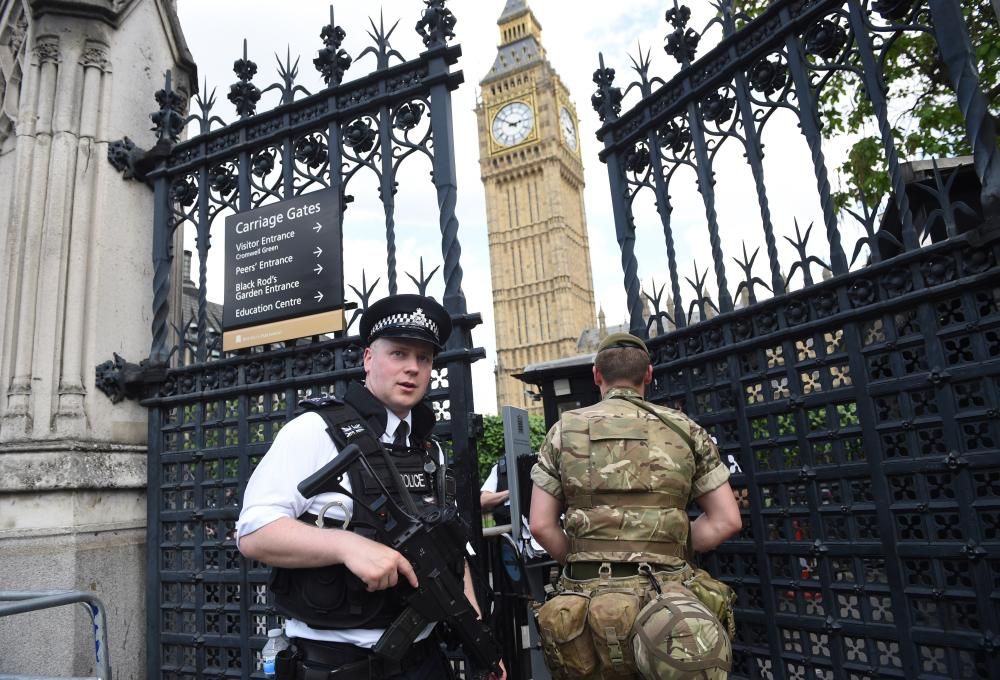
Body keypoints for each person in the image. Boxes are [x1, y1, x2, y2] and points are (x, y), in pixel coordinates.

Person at [237, 293, 505, 680]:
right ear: (368, 359)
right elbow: (253, 531)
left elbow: (451, 550)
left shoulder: (430, 450)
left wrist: (478, 636)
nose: (412, 368)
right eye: (398, 353)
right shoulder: (316, 431)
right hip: (339, 664)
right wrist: (347, 545)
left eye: (424, 358)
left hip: (426, 661)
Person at [529, 332, 742, 679]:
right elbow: (726, 520)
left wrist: (586, 554)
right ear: (648, 375)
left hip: (587, 610)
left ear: (597, 376)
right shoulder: (686, 429)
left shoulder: (564, 430)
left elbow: (540, 524)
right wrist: (670, 548)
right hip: (671, 604)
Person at [480, 459, 545, 558]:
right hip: (507, 538)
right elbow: (484, 500)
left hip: (534, 538)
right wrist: (511, 492)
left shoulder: (538, 465)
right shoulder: (499, 469)